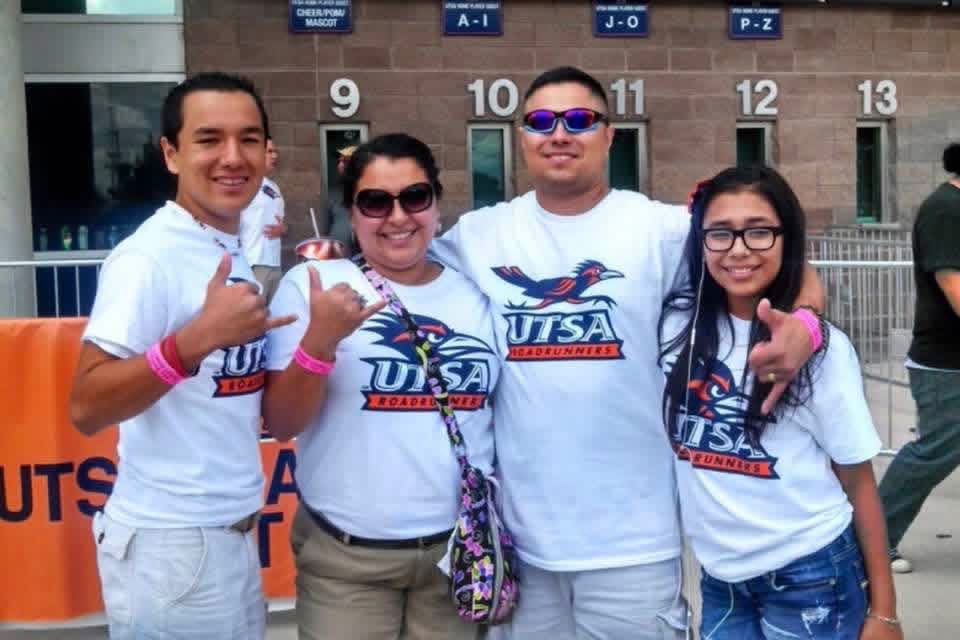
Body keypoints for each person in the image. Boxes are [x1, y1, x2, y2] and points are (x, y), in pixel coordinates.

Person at [431, 66, 826, 639]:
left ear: (610, 135)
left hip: (635, 543)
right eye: (542, 121)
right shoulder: (479, 235)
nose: (559, 134)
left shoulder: (660, 228)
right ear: (522, 136)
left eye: (579, 120)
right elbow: (402, 267)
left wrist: (806, 327)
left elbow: (786, 269)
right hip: (523, 543)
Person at [69, 72, 295, 639]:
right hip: (173, 544)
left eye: (248, 139)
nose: (231, 157)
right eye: (208, 139)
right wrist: (194, 340)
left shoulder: (227, 242)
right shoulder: (150, 257)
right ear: (170, 153)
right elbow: (87, 404)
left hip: (228, 535)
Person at [264, 133, 499, 640]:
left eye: (415, 197)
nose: (397, 217)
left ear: (436, 204)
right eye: (375, 201)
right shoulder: (315, 284)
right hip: (348, 561)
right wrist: (319, 343)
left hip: (457, 554)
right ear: (351, 212)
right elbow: (281, 423)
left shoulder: (477, 288)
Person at [659, 166, 902, 640]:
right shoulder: (674, 327)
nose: (739, 249)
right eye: (721, 234)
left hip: (812, 571)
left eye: (759, 232)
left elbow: (857, 479)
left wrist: (885, 610)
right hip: (721, 578)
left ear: (787, 237)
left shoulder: (824, 351)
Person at [878, 142, 960, 574]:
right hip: (947, 363)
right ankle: (872, 539)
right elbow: (955, 289)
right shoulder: (946, 210)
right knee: (934, 452)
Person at [240, 136, 288, 301]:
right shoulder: (243, 184)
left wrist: (283, 229)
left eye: (275, 151)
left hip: (275, 262)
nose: (274, 156)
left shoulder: (273, 187)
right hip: (253, 262)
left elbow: (279, 222)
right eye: (269, 152)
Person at [323, 145, 359, 255]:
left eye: (345, 161)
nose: (340, 165)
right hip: (337, 258)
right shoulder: (333, 193)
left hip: (362, 261)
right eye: (339, 162)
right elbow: (326, 228)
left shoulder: (368, 192)